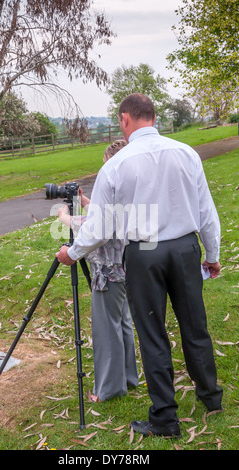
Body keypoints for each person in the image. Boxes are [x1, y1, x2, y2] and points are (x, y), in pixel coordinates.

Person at [56, 93, 223, 438]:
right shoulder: (185, 152)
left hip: (144, 255)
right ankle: (211, 397)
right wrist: (212, 255)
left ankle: (165, 418)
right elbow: (206, 211)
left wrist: (72, 254)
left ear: (124, 120)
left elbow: (100, 227)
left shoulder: (115, 165)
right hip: (185, 248)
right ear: (154, 116)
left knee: (153, 334)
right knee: (195, 325)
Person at [57, 139, 139, 403]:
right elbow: (109, 214)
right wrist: (85, 200)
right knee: (122, 323)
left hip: (108, 271)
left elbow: (97, 227)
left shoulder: (115, 176)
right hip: (126, 268)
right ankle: (127, 378)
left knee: (107, 330)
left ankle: (108, 389)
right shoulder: (133, 184)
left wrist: (65, 219)